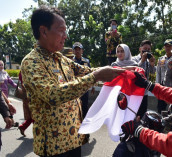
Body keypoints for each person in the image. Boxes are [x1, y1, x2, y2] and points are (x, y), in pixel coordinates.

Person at [20, 5, 125, 157]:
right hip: (53, 147)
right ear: (43, 31)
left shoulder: (60, 58)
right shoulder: (31, 62)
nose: (65, 36)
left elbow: (87, 71)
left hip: (74, 140)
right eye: (61, 30)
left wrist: (122, 69)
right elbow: (53, 95)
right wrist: (96, 77)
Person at [156, 39, 172, 114]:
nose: (167, 48)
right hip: (162, 88)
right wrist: (157, 86)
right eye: (166, 46)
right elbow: (158, 73)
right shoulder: (161, 59)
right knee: (160, 109)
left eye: (169, 46)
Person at [132, 40, 156, 118]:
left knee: (142, 114)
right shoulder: (134, 59)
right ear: (140, 49)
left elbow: (152, 74)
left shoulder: (149, 61)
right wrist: (142, 60)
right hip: (135, 91)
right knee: (133, 113)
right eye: (145, 48)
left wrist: (152, 65)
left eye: (149, 49)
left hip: (144, 92)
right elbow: (135, 70)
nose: (146, 51)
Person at [72, 42, 94, 118]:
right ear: (73, 51)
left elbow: (90, 73)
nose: (77, 51)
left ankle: (84, 123)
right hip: (75, 87)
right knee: (75, 105)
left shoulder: (86, 61)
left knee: (85, 105)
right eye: (76, 49)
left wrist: (93, 86)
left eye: (79, 49)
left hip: (85, 87)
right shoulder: (70, 61)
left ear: (82, 51)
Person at [18, 71, 34, 137]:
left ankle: (23, 127)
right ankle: (38, 133)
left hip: (25, 95)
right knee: (34, 115)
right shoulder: (29, 69)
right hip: (30, 95)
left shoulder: (21, 71)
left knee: (31, 115)